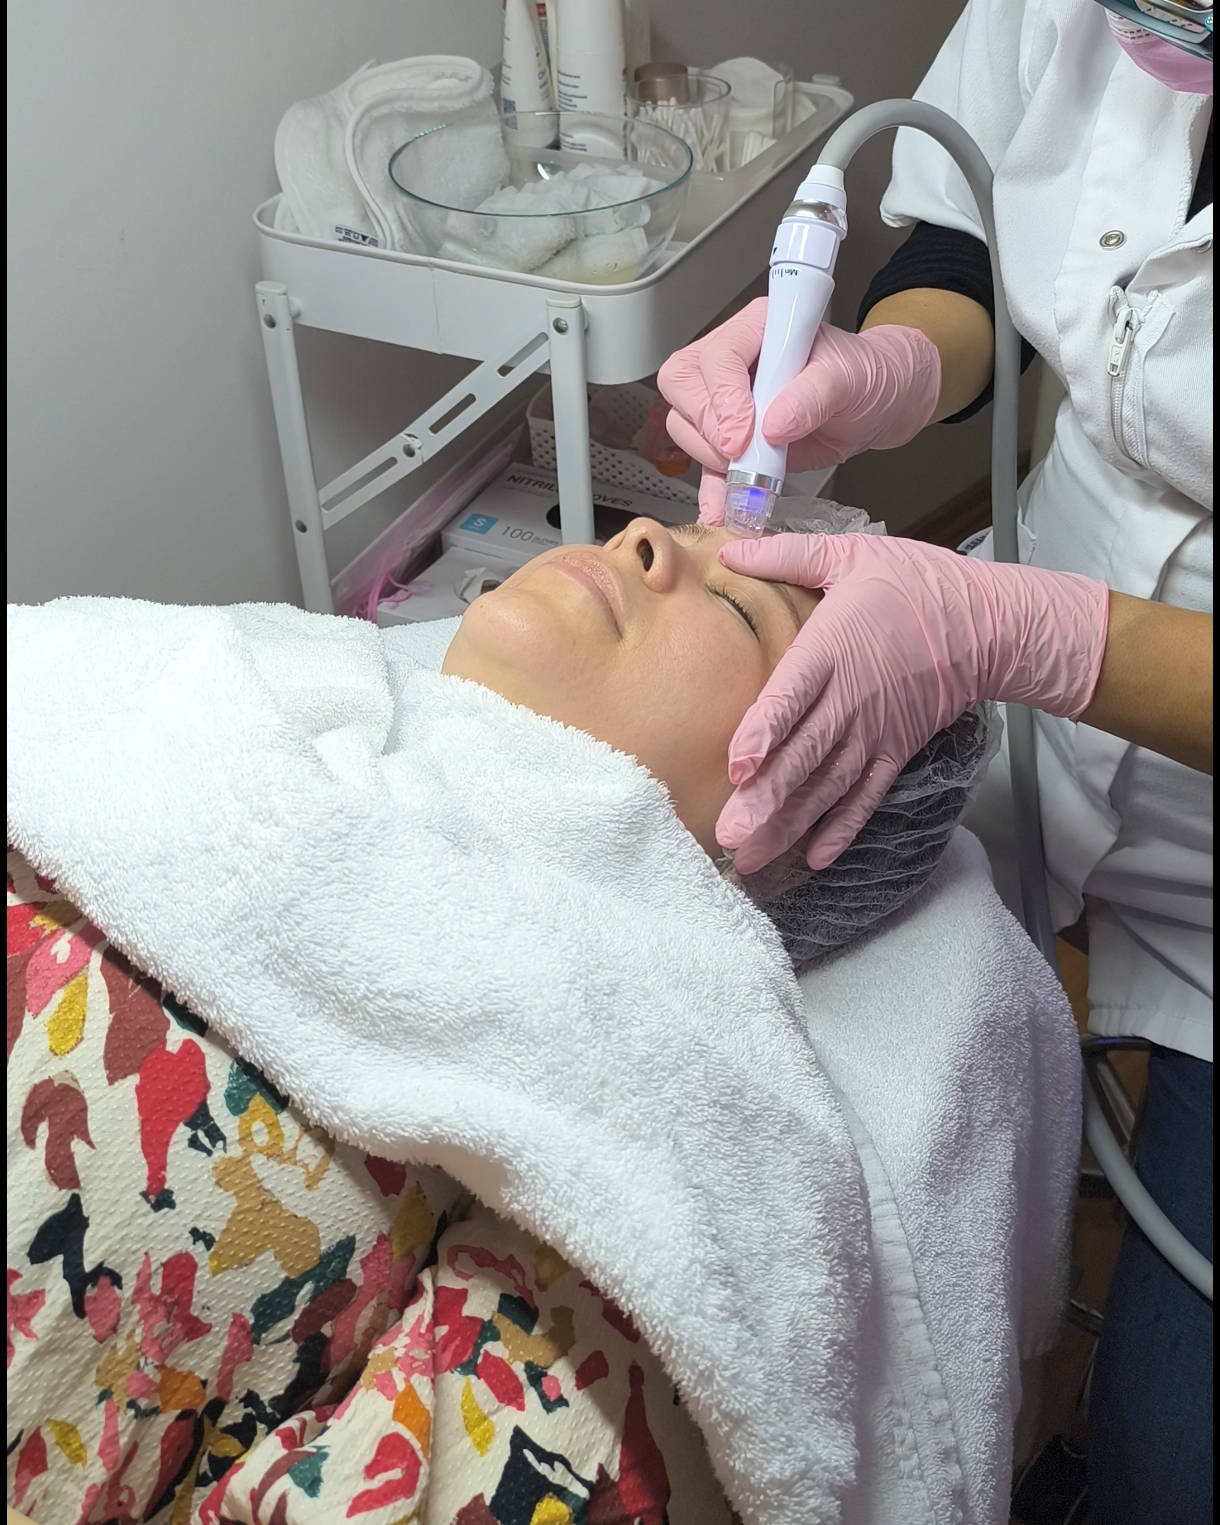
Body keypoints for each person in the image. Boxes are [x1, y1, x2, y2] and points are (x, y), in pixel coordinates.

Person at [657, 3, 1213, 1519]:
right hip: (1036, 684)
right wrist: (890, 362)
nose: (644, 544)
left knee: (1168, 1471)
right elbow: (971, 244)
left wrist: (1029, 635)